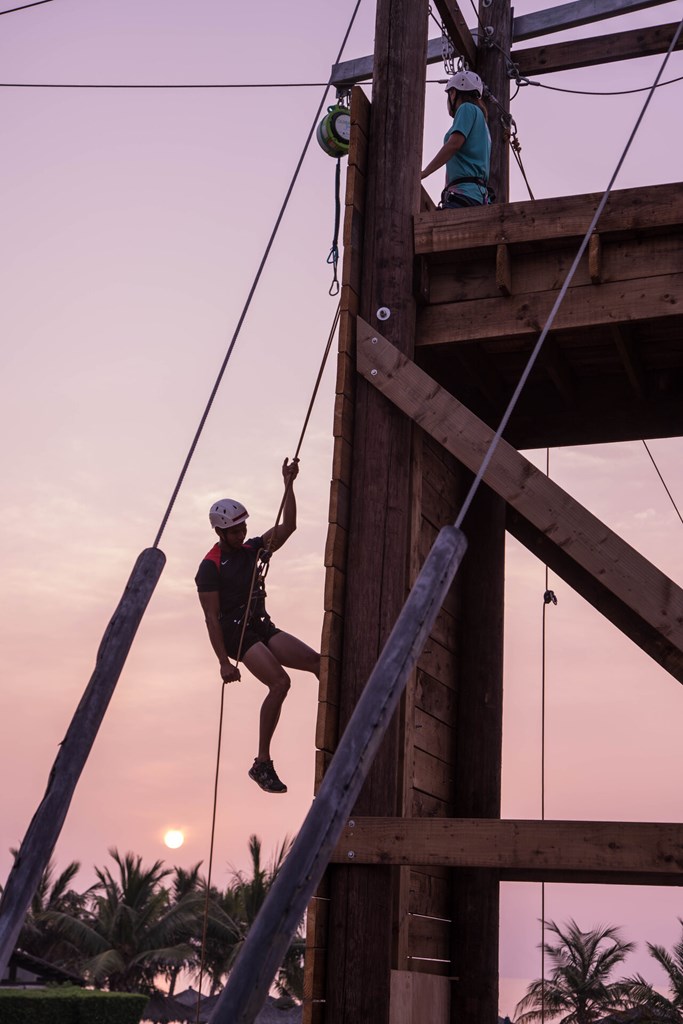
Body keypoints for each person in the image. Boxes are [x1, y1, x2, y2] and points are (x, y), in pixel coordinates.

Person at [195, 457, 320, 794]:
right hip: (237, 634)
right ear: (220, 531)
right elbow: (210, 617)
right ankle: (262, 762)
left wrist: (289, 485)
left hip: (260, 625)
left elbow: (288, 527)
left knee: (319, 664)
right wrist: (223, 662)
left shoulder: (253, 549)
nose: (243, 532)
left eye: (244, 527)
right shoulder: (210, 567)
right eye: (235, 530)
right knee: (280, 683)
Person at [421, 69, 492, 209]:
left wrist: (423, 173)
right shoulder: (483, 123)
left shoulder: (467, 108)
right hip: (478, 196)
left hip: (464, 196)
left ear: (453, 93)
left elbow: (454, 144)